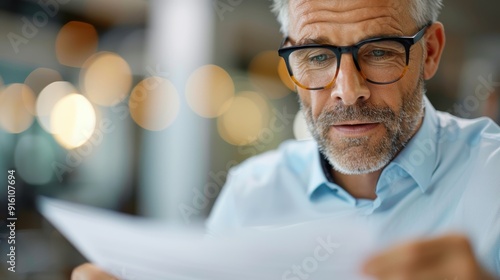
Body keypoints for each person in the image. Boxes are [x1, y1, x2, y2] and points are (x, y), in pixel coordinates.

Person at [72, 0, 500, 279]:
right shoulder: (251, 194)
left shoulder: (492, 178)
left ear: (430, 51)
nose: (347, 91)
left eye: (380, 51)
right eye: (317, 56)